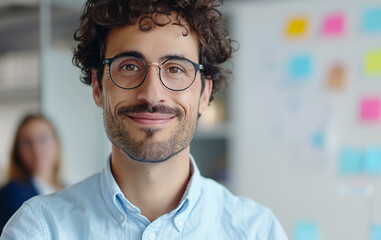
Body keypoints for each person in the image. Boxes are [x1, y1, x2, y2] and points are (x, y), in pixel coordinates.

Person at [1, 0, 288, 239]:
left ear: (204, 93)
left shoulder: (257, 231)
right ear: (98, 87)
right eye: (128, 66)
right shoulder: (38, 230)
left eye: (175, 68)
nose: (152, 93)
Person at [0, 114, 62, 232]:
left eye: (43, 139)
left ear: (56, 144)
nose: (36, 149)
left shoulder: (70, 190)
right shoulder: (12, 193)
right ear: (17, 151)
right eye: (27, 142)